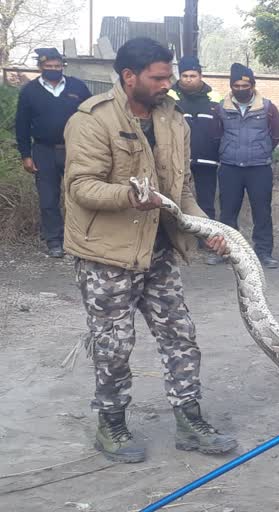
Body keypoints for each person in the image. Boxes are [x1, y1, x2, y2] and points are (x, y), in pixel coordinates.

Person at [63, 37, 237, 463]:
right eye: (159, 77)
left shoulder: (174, 119)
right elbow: (80, 187)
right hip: (107, 255)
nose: (168, 84)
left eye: (169, 75)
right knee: (114, 345)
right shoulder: (92, 120)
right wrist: (130, 196)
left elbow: (184, 190)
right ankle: (112, 424)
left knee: (181, 336)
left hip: (159, 252)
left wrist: (205, 230)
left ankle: (190, 420)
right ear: (129, 76)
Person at [15, 47, 91, 258]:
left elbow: (92, 116)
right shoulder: (30, 91)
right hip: (43, 151)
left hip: (75, 149)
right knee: (48, 199)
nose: (54, 69)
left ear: (62, 66)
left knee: (79, 195)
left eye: (57, 66)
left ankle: (79, 239)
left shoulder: (78, 87)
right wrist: (25, 155)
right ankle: (54, 241)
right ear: (40, 67)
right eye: (49, 67)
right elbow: (21, 125)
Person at [215, 63, 279, 269]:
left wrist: (262, 149)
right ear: (231, 86)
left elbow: (276, 134)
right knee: (227, 212)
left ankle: (263, 252)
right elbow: (216, 134)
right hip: (230, 167)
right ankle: (227, 252)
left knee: (262, 211)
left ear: (252, 85)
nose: (241, 89)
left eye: (245, 85)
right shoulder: (221, 107)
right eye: (236, 85)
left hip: (259, 167)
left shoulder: (268, 107)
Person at [168, 55, 223, 265]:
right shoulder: (169, 96)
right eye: (185, 75)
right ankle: (175, 241)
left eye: (193, 75)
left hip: (208, 160)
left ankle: (205, 241)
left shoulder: (215, 98)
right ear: (179, 75)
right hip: (177, 160)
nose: (189, 79)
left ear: (201, 76)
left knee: (207, 202)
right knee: (175, 200)